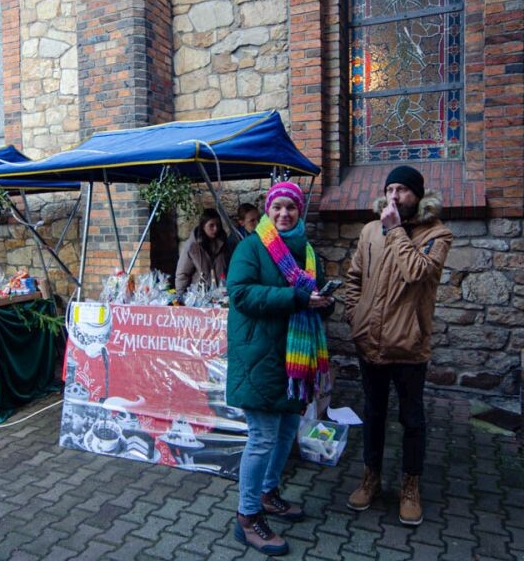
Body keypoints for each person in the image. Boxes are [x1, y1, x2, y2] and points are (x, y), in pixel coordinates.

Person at [225, 181, 332, 556]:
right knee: (262, 437)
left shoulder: (306, 251)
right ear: (268, 212)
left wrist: (323, 303)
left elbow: (312, 293)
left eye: (291, 207)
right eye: (277, 207)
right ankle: (247, 516)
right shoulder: (251, 247)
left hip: (292, 358)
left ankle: (268, 494)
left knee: (287, 430)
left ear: (299, 212)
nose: (284, 214)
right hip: (259, 355)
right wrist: (297, 298)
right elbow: (240, 293)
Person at [344, 165, 452, 526]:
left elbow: (417, 273)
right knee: (373, 413)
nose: (394, 196)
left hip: (408, 346)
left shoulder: (438, 234)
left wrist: (394, 231)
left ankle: (410, 486)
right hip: (370, 342)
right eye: (390, 189)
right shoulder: (369, 231)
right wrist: (355, 316)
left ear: (417, 195)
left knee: (412, 419)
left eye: (402, 189)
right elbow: (354, 277)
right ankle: (371, 477)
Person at [175, 208, 231, 295]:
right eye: (211, 225)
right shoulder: (192, 246)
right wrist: (180, 295)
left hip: (221, 294)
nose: (215, 229)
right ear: (203, 226)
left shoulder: (224, 244)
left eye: (218, 225)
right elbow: (183, 274)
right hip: (199, 295)